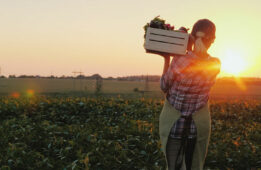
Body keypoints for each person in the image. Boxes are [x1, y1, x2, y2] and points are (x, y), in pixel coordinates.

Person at [158, 19, 221, 170]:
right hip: (197, 127)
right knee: (194, 165)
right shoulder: (215, 64)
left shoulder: (180, 60)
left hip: (175, 125)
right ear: (213, 40)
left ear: (191, 37)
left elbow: (164, 86)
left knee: (173, 166)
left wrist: (167, 58)